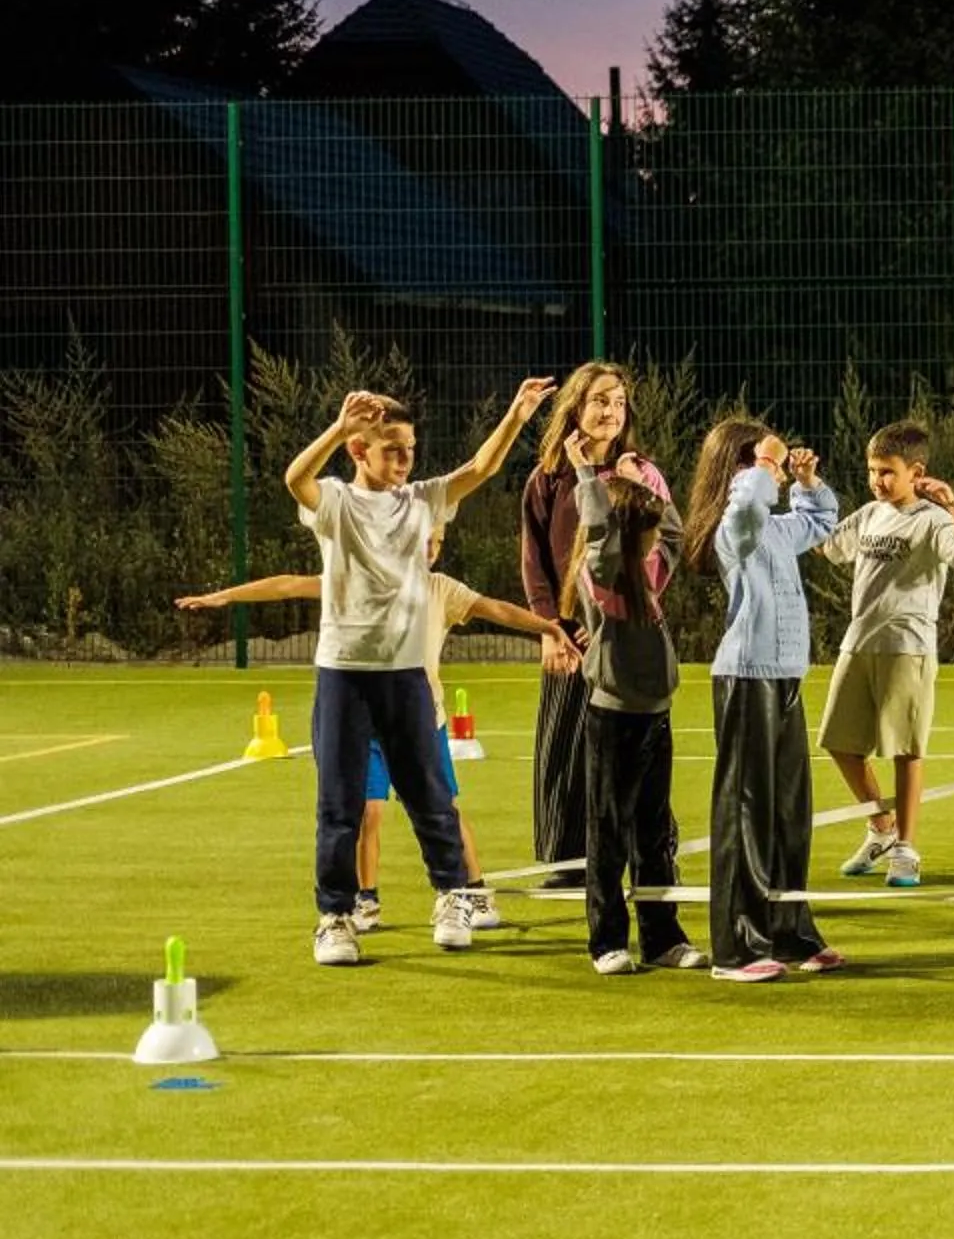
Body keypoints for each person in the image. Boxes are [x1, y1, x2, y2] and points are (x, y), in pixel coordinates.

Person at [178, 533, 575, 934]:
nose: (429, 549)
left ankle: (472, 893)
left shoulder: (441, 589)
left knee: (445, 810)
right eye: (421, 540)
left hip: (422, 720)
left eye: (436, 541)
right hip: (366, 722)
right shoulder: (357, 580)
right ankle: (365, 900)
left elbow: (498, 610)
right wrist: (225, 596)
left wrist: (548, 628)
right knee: (368, 812)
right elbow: (289, 584)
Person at [286, 378, 554, 965]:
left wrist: (517, 412)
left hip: (406, 675)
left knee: (430, 796)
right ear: (360, 451)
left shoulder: (423, 501)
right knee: (340, 803)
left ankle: (453, 895)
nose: (405, 459)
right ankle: (335, 917)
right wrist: (338, 426)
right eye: (391, 449)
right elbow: (294, 479)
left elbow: (481, 467)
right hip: (344, 673)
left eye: (410, 447)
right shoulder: (336, 502)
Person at [684, 417, 846, 983]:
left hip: (785, 678)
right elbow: (748, 508)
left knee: (788, 813)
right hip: (746, 678)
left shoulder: (776, 527)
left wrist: (804, 481)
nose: (775, 477)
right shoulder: (736, 528)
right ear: (740, 470)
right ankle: (736, 946)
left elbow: (821, 520)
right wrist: (761, 466)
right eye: (767, 466)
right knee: (745, 811)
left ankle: (789, 929)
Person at [818, 421, 954, 888]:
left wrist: (953, 504)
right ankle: (881, 827)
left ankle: (907, 849)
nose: (877, 480)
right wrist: (806, 487)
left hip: (907, 647)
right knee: (837, 742)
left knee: (905, 750)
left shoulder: (932, 519)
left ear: (917, 472)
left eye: (887, 471)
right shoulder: (870, 513)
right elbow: (825, 545)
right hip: (858, 642)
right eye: (872, 470)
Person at [518, 362, 667, 879]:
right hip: (568, 633)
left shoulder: (639, 473)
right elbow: (534, 559)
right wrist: (548, 628)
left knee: (637, 749)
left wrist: (616, 613)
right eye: (600, 400)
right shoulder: (548, 478)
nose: (610, 411)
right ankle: (567, 857)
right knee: (565, 744)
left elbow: (659, 552)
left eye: (619, 402)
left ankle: (653, 851)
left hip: (621, 633)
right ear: (576, 408)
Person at [568, 445, 703, 975]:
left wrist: (644, 474)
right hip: (612, 718)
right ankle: (606, 942)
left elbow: (674, 532)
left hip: (655, 715)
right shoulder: (602, 572)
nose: (654, 537)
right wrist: (589, 477)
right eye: (641, 526)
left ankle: (663, 938)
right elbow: (599, 531)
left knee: (653, 832)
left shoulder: (649, 568)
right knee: (608, 832)